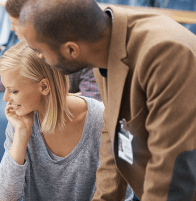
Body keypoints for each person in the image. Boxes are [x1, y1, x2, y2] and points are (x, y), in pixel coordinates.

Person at [19, 0, 196, 200]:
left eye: (40, 52)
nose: (41, 58)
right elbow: (114, 133)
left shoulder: (165, 54)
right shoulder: (103, 43)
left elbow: (173, 167)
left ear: (71, 50)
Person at [0, 40, 109, 200]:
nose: (5, 98)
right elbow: (3, 197)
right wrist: (21, 134)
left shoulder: (100, 120)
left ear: (44, 87)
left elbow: (118, 193)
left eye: (13, 91)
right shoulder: (21, 120)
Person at [0, 0, 101, 102]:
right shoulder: (27, 48)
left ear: (34, 25)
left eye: (15, 24)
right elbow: (13, 78)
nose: (12, 29)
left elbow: (92, 104)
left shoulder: (85, 54)